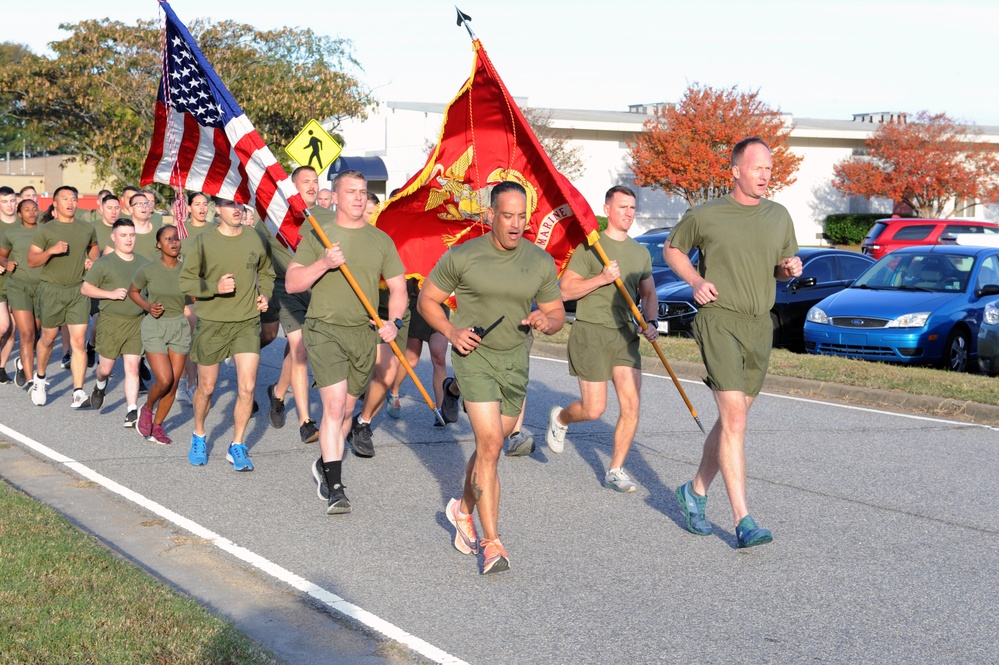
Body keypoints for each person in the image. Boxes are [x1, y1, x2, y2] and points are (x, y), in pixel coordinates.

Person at [418, 181, 564, 574]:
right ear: (491, 216)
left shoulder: (540, 261)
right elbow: (427, 300)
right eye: (508, 216)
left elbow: (556, 312)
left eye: (522, 216)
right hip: (474, 356)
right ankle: (492, 542)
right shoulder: (464, 256)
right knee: (490, 444)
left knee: (491, 448)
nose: (516, 224)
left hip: (515, 360)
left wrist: (545, 321)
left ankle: (462, 510)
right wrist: (450, 333)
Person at [664, 137, 801, 549]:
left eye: (769, 169)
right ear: (736, 170)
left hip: (761, 325)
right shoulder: (706, 214)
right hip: (719, 320)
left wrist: (788, 268)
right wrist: (695, 281)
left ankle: (695, 492)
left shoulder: (779, 216)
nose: (765, 175)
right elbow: (673, 249)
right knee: (736, 420)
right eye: (758, 167)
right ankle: (743, 519)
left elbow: (780, 269)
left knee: (731, 420)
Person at [286, 170, 406, 514]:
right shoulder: (319, 235)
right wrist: (324, 262)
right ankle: (336, 487)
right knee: (335, 406)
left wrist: (394, 323)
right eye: (350, 191)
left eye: (363, 192)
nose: (358, 197)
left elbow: (398, 289)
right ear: (335, 197)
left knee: (349, 410)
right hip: (325, 329)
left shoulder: (381, 240)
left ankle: (326, 462)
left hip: (363, 333)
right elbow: (293, 283)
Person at [546, 186, 659, 491]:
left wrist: (650, 322)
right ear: (607, 209)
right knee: (594, 409)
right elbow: (565, 290)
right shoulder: (591, 247)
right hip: (591, 332)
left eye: (632, 208)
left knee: (631, 404)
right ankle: (562, 419)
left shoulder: (640, 252)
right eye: (622, 207)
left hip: (625, 336)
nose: (628, 213)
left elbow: (648, 294)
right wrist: (602, 278)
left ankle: (616, 469)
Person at [179, 197, 273, 471]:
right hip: (212, 322)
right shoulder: (204, 242)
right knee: (207, 388)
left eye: (241, 205)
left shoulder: (256, 237)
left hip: (246, 322)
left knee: (247, 386)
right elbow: (185, 280)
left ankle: (237, 445)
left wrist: (264, 294)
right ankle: (198, 434)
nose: (237, 210)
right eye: (230, 205)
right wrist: (213, 287)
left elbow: (267, 272)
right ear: (216, 209)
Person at [347, 191, 411, 457]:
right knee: (356, 374)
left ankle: (363, 423)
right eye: (367, 212)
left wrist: (395, 319)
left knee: (386, 372)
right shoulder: (350, 238)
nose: (371, 217)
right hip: (359, 309)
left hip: (390, 309)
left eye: (375, 212)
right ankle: (340, 417)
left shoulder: (390, 237)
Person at [261, 167, 320, 444]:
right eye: (305, 181)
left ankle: (278, 392)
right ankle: (306, 421)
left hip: (317, 291)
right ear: (293, 188)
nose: (312, 185)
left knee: (299, 350)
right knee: (299, 348)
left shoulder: (324, 218)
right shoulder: (274, 219)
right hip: (285, 289)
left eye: (315, 181)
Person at [28, 186, 99, 406]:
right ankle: (40, 379)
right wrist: (50, 251)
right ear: (55, 204)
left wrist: (92, 259)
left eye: (74, 199)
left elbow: (94, 246)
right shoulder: (45, 230)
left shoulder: (87, 228)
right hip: (51, 290)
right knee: (48, 339)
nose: (70, 202)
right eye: (65, 199)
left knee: (78, 342)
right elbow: (32, 260)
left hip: (78, 290)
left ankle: (78, 392)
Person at [80, 219, 147, 421]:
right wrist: (110, 294)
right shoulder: (103, 263)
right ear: (113, 237)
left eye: (131, 235)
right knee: (105, 369)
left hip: (136, 323)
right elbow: (86, 289)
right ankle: (100, 386)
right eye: (123, 235)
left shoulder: (144, 263)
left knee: (133, 367)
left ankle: (132, 410)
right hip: (110, 322)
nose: (128, 239)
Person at [129, 225, 190, 444]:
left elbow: (195, 295)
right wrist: (147, 306)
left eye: (176, 238)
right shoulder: (148, 269)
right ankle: (146, 409)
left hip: (179, 326)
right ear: (159, 244)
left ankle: (158, 426)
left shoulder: (186, 269)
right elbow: (133, 291)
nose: (174, 242)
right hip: (155, 326)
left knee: (173, 384)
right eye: (168, 239)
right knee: (164, 379)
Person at [176, 191, 213, 405]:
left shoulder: (214, 230)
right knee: (191, 335)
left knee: (205, 337)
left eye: (204, 204)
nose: (201, 208)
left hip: (209, 288)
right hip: (187, 290)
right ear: (188, 207)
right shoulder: (181, 230)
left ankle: (196, 381)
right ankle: (189, 384)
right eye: (197, 204)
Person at [0, 186, 18, 383]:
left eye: (12, 201)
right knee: (3, 326)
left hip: (19, 283)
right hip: (0, 283)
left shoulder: (25, 224)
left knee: (12, 329)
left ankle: (2, 367)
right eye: (5, 201)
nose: (9, 205)